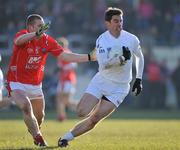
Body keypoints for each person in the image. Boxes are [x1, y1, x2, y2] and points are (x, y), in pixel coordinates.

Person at [58, 7, 144, 147]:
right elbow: (103, 64)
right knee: (81, 112)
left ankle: (65, 138)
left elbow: (139, 57)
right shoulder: (102, 40)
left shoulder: (131, 39)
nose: (119, 24)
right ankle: (97, 101)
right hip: (102, 80)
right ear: (107, 23)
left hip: (120, 88)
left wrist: (138, 79)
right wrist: (121, 59)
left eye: (121, 21)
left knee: (94, 119)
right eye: (115, 21)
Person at [5, 14, 96, 147]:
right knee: (25, 106)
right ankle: (40, 139)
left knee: (40, 116)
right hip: (16, 82)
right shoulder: (23, 34)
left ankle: (35, 132)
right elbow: (19, 41)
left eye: (43, 26)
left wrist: (89, 57)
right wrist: (35, 34)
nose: (43, 29)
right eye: (39, 26)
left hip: (35, 85)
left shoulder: (47, 40)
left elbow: (65, 55)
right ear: (30, 27)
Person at [56, 37, 77, 121]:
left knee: (66, 100)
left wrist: (63, 67)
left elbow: (74, 65)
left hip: (68, 79)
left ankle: (86, 108)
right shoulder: (59, 54)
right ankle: (62, 116)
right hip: (62, 79)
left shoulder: (67, 52)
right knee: (59, 99)